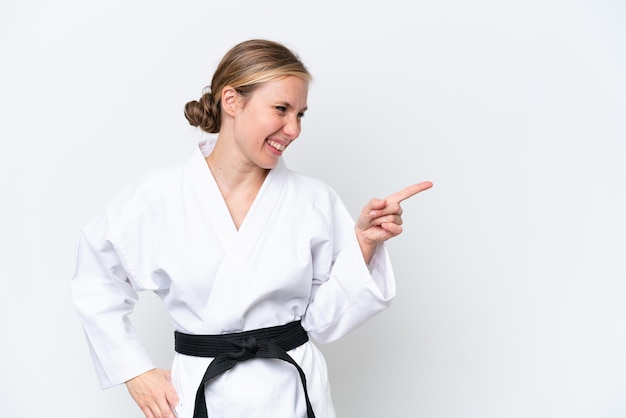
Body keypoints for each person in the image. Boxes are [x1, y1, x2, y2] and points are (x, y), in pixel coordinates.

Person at [71, 39, 432, 418]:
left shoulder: (313, 199)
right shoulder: (158, 196)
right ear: (232, 101)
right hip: (201, 393)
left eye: (301, 114)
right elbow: (95, 283)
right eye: (281, 109)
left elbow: (323, 323)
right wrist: (135, 371)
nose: (293, 128)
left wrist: (363, 243)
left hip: (291, 394)